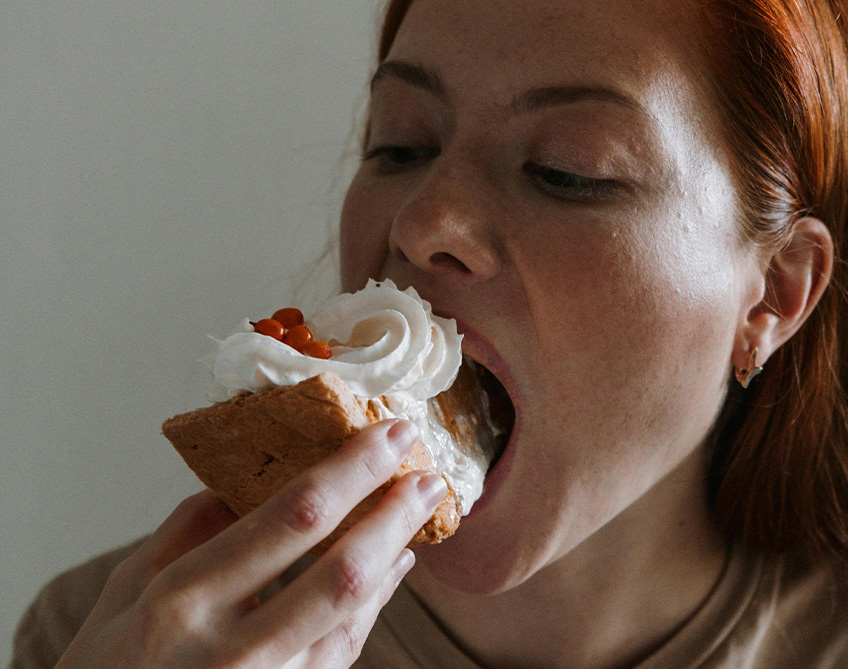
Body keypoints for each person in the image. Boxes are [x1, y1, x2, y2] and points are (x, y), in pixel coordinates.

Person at [13, 0, 848, 666]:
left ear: (773, 295)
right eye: (400, 146)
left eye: (566, 170)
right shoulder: (116, 635)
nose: (421, 225)